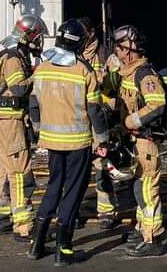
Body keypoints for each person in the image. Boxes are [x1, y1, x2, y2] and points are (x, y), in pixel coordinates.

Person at [27, 19, 111, 266]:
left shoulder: (42, 68)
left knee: (53, 186)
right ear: (81, 42)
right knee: (73, 193)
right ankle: (63, 250)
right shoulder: (84, 71)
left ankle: (37, 244)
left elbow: (33, 105)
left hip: (51, 142)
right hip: (78, 143)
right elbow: (95, 110)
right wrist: (102, 140)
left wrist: (39, 131)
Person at [0, 15, 47, 241]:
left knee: (6, 169)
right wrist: (38, 75)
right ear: (28, 36)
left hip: (5, 121)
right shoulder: (13, 58)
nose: (39, 41)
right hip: (11, 123)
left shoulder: (12, 54)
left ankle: (1, 217)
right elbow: (19, 89)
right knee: (20, 172)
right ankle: (23, 226)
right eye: (38, 36)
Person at [113, 24, 167, 257]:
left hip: (144, 141)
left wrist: (130, 122)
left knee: (147, 189)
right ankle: (140, 228)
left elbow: (157, 104)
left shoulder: (145, 74)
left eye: (119, 46)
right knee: (138, 188)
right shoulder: (127, 73)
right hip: (133, 141)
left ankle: (152, 238)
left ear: (130, 48)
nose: (116, 50)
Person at [77, 19, 120, 230]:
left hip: (101, 119)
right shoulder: (72, 56)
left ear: (93, 33)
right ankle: (72, 210)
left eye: (86, 32)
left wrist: (105, 78)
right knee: (76, 169)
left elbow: (115, 86)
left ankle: (106, 212)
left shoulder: (107, 55)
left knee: (102, 167)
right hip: (78, 120)